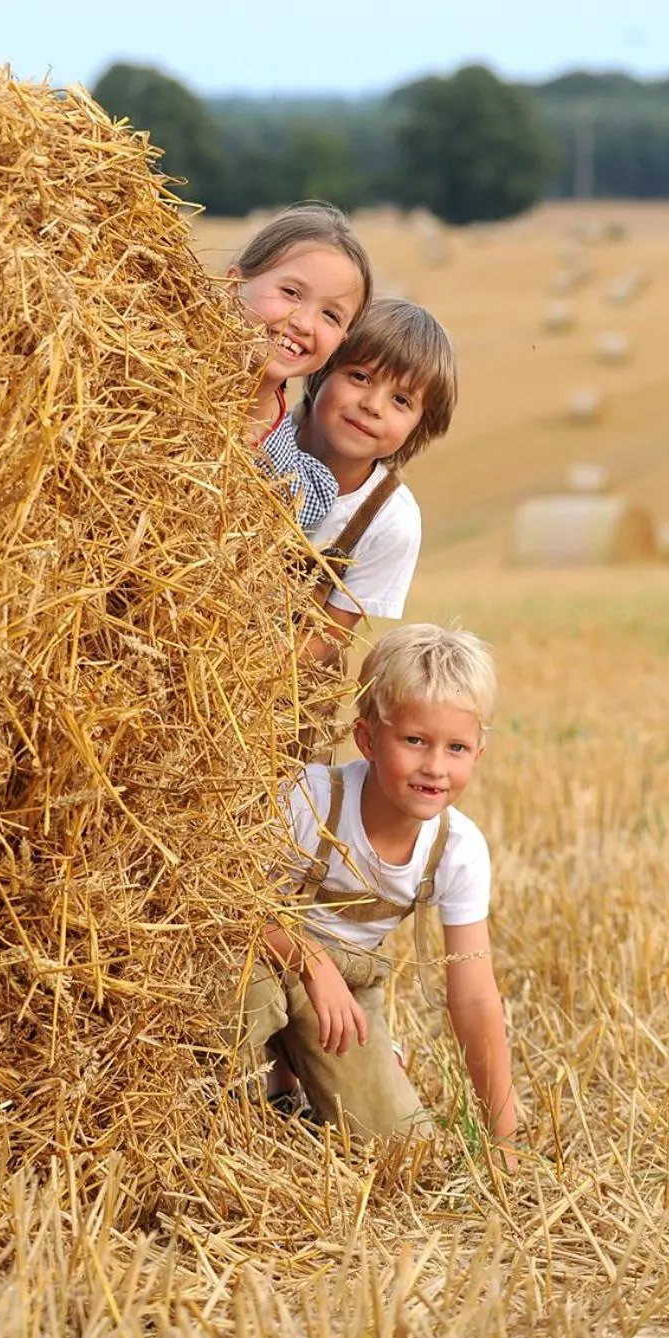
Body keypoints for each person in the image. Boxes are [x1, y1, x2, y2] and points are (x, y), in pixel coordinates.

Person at [241, 624, 518, 1168]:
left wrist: (504, 1136)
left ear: (478, 753)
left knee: (400, 1150)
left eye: (456, 747)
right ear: (367, 739)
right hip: (267, 958)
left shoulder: (458, 850)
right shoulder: (309, 801)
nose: (436, 766)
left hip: (348, 990)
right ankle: (261, 1077)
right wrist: (311, 961)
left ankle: (303, 1065)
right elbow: (235, 906)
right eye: (415, 741)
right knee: (240, 996)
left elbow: (474, 997)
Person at [297, 299, 456, 663]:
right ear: (322, 369)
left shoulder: (391, 521)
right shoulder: (256, 436)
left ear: (421, 427)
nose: (372, 405)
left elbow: (326, 641)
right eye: (360, 377)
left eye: (400, 400)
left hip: (278, 690)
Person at [228, 205, 372, 529]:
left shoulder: (299, 486)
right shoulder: (152, 371)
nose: (304, 323)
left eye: (331, 315)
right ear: (233, 285)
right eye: (291, 293)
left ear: (340, 342)